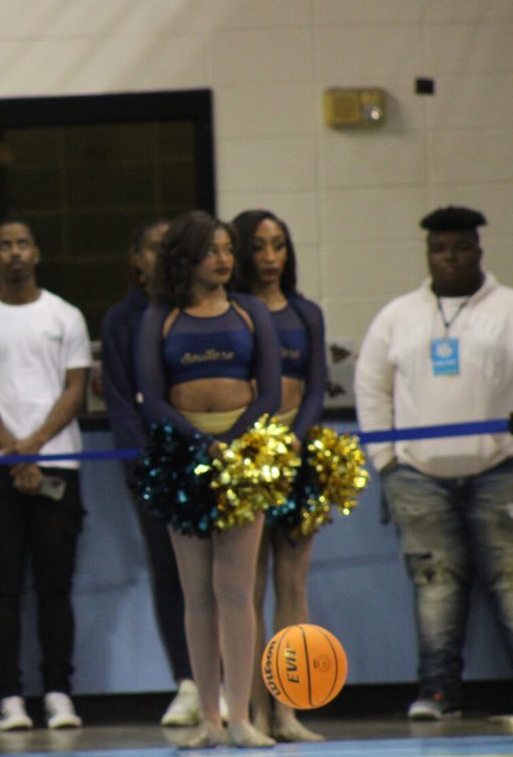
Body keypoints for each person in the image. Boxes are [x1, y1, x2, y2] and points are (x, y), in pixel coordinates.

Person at [355, 205, 513, 721]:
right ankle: (438, 692)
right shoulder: (397, 316)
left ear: (478, 250)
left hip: (499, 471)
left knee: (511, 581)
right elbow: (371, 388)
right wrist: (386, 462)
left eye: (461, 247)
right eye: (440, 249)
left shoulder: (508, 309)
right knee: (435, 586)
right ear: (428, 254)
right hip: (418, 477)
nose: (450, 257)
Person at [135, 210, 280, 748]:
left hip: (243, 455)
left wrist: (233, 442)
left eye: (227, 249)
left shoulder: (251, 313)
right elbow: (151, 397)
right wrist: (201, 446)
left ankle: (241, 717)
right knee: (197, 595)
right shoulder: (161, 317)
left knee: (236, 591)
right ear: (186, 259)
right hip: (184, 458)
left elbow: (267, 393)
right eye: (212, 250)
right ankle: (210, 720)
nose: (223, 259)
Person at [0, 221, 89, 731]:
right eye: (5, 244)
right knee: (2, 587)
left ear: (36, 252)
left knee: (56, 587)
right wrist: (14, 454)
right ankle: (9, 697)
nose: (15, 253)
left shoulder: (65, 315)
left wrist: (33, 447)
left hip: (58, 463)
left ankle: (59, 693)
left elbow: (76, 389)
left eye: (23, 244)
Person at [99, 218, 201, 727]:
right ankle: (187, 681)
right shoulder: (121, 319)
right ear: (135, 257)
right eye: (153, 249)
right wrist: (145, 461)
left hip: (204, 459)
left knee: (215, 574)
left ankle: (223, 680)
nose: (162, 259)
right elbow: (120, 396)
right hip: (153, 464)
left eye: (171, 249)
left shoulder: (193, 311)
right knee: (169, 570)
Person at [231, 210, 327, 742]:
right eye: (260, 247)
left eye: (280, 246)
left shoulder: (306, 313)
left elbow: (315, 386)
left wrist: (297, 435)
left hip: (299, 452)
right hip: (250, 456)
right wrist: (261, 439)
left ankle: (290, 709)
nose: (270, 258)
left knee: (293, 584)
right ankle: (256, 712)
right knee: (250, 586)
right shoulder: (237, 312)